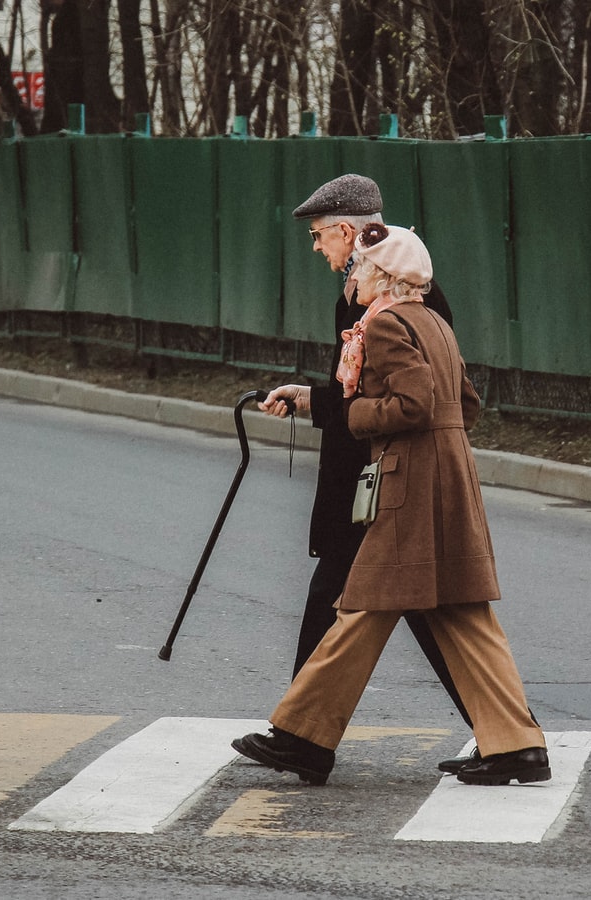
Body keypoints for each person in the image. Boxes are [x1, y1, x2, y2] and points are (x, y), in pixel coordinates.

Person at [235, 224, 550, 787]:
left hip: (408, 486)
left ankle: (304, 737)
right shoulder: (431, 322)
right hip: (450, 477)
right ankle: (519, 747)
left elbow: (413, 403)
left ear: (381, 274)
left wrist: (357, 420)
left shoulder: (383, 324)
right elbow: (465, 403)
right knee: (463, 612)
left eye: (358, 267)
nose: (350, 276)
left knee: (361, 608)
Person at [258, 174, 477, 775]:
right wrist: (311, 397)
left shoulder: (390, 305)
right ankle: (300, 738)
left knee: (382, 609)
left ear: (349, 233)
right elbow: (354, 392)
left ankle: (301, 737)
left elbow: (401, 401)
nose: (317, 247)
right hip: (374, 481)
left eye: (321, 235)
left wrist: (316, 402)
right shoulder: (374, 297)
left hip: (383, 485)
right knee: (392, 610)